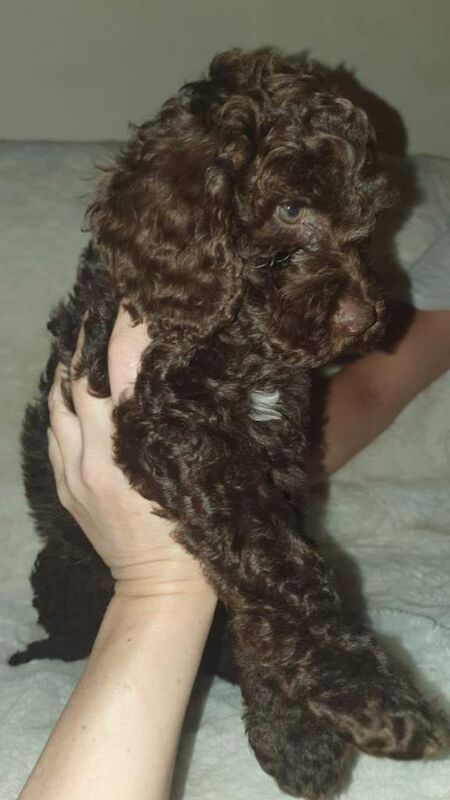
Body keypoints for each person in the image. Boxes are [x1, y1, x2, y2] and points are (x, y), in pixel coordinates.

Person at [18, 156, 450, 800]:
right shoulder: (159, 284)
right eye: (296, 212)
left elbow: (361, 393)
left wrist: (249, 485)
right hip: (97, 544)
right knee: (76, 584)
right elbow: (369, 389)